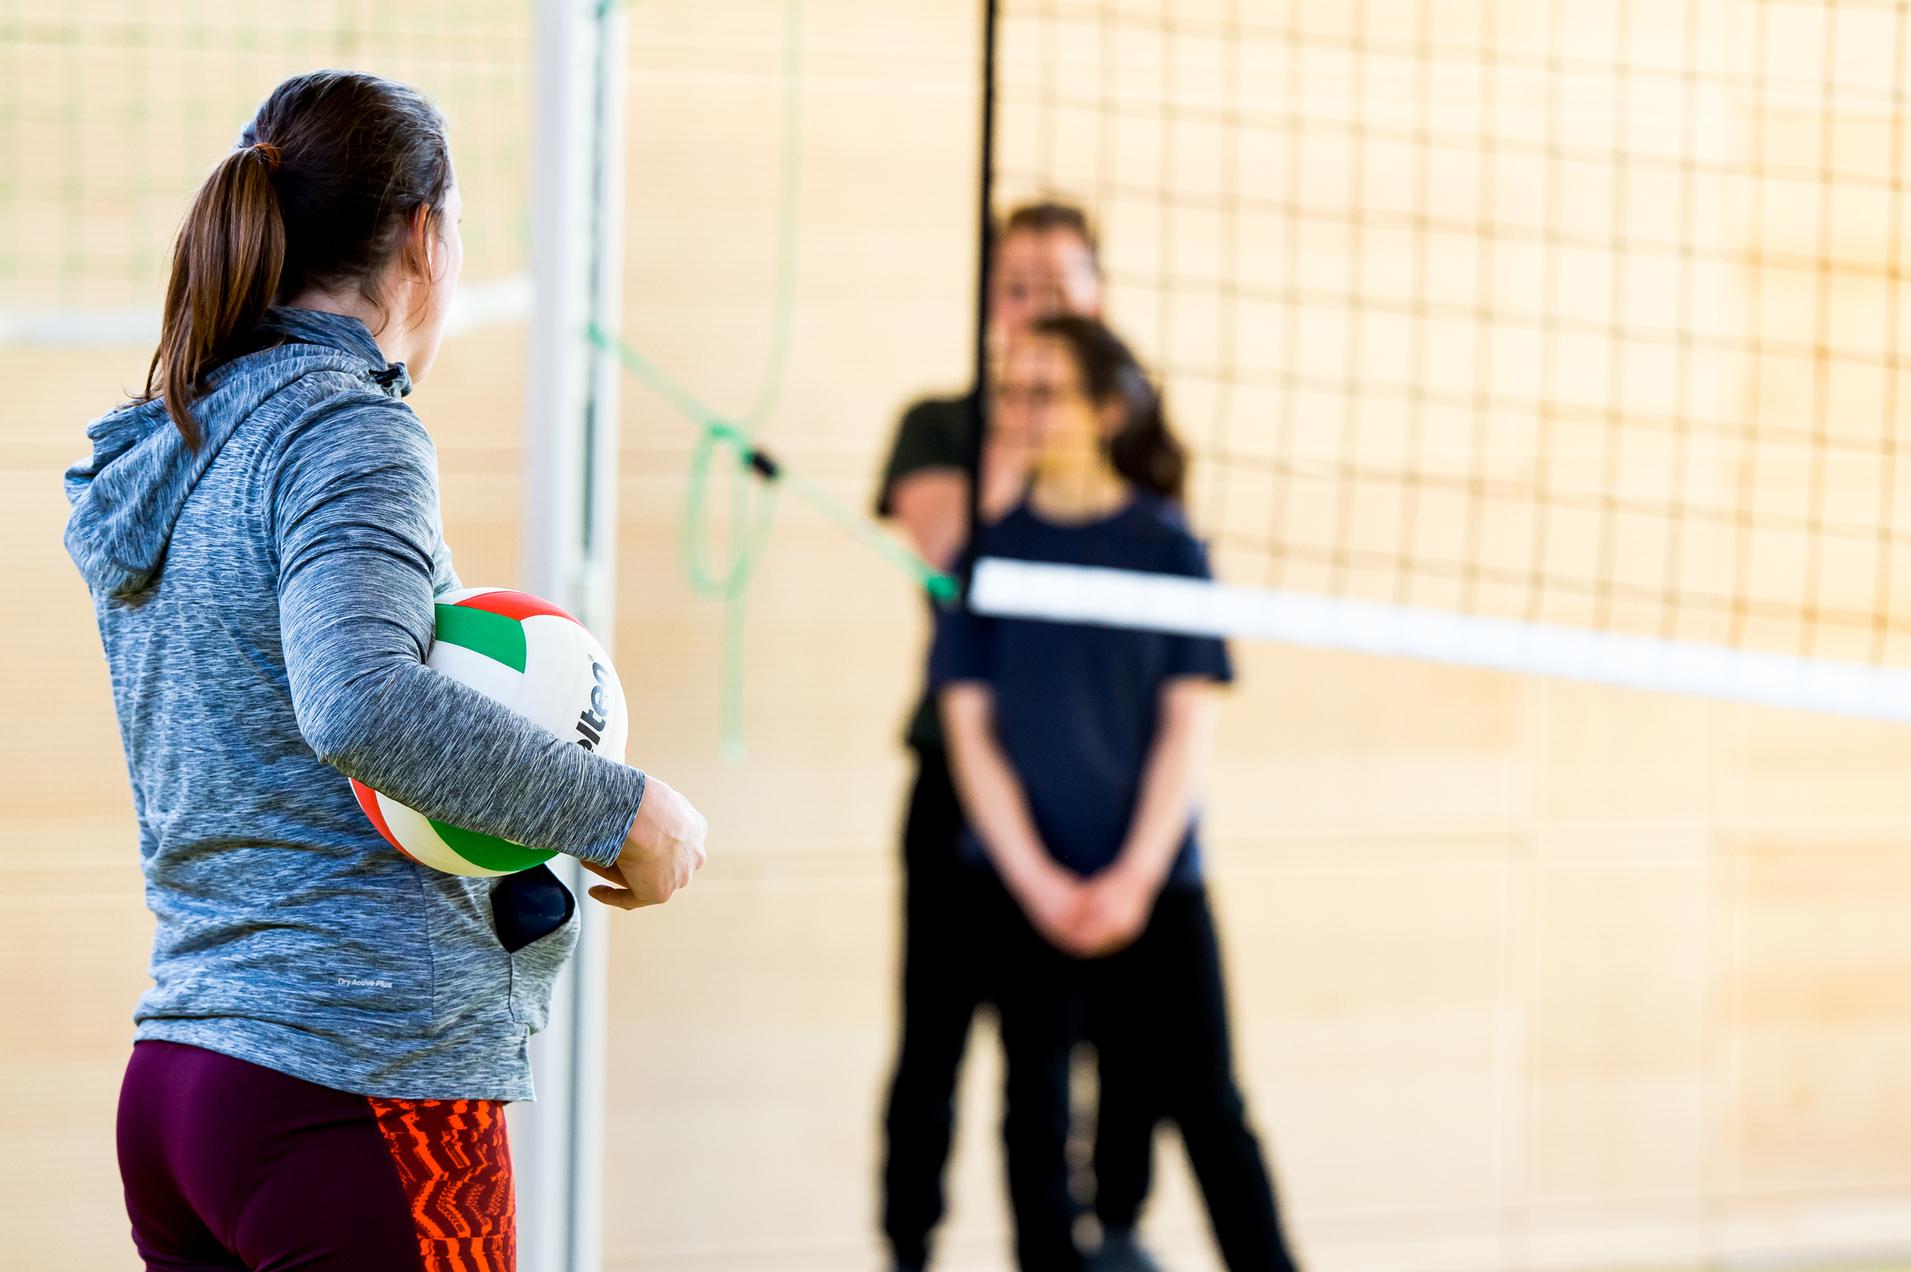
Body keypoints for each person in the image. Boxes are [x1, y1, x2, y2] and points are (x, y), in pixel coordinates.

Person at [62, 70, 708, 1272]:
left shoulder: (179, 440)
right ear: (425, 234)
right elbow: (361, 701)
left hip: (183, 1090)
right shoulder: (347, 426)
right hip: (352, 1088)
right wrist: (622, 812)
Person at [932, 316, 1300, 1272]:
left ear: (1104, 411)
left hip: (1157, 887)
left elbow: (1188, 725)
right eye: (1011, 391)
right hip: (1023, 890)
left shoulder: (1168, 548)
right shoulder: (986, 556)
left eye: (1043, 392)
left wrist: (1133, 879)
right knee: (1033, 1119)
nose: (1019, 411)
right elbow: (971, 739)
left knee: (1211, 1109)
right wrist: (1041, 882)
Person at [878, 203, 1162, 1272]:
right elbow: (956, 549)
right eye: (1016, 284)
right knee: (936, 1038)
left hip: (1094, 785)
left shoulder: (1131, 429)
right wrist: (1029, 420)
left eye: (1061, 282)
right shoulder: (943, 425)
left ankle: (1100, 1237)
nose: (1037, 302)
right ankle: (910, 1247)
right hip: (960, 778)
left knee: (1092, 1050)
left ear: (1100, 298)